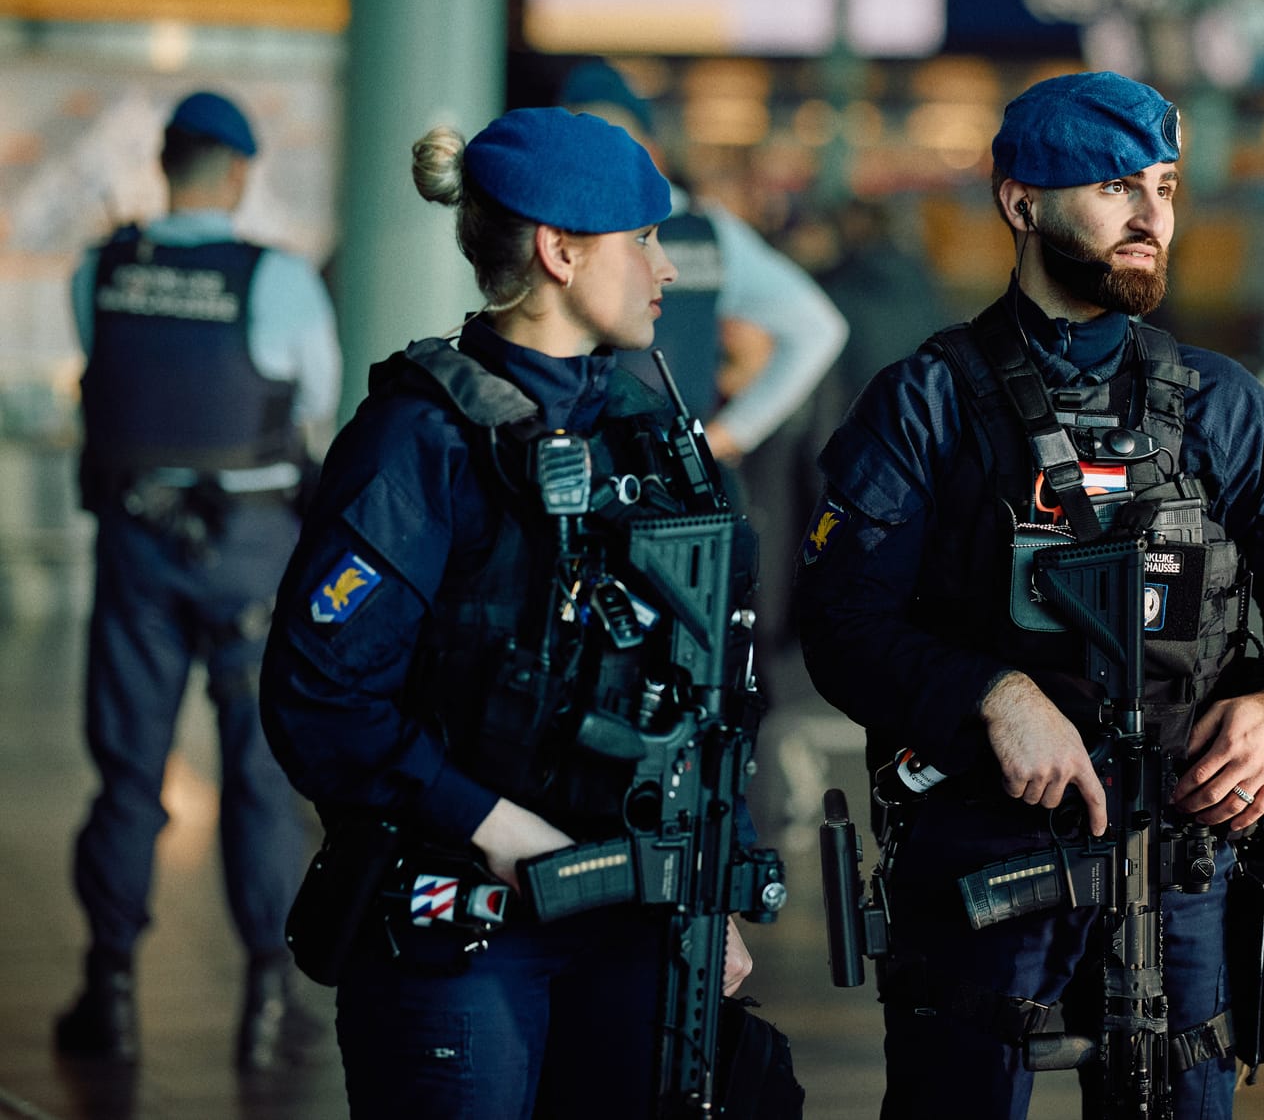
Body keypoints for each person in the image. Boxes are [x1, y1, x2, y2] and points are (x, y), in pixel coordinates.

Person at [794, 71, 1264, 1119]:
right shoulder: (925, 405)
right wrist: (991, 696)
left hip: (1183, 858)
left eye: (1165, 185)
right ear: (1021, 203)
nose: (1152, 217)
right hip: (982, 858)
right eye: (1113, 189)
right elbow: (837, 620)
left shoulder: (1221, 406)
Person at [259, 108, 758, 1118]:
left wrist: (711, 892)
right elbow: (318, 695)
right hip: (463, 927)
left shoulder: (649, 434)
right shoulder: (420, 439)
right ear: (560, 249)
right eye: (645, 239)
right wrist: (493, 825)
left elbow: (710, 685)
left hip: (636, 918)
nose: (667, 269)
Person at [57, 89, 340, 1072]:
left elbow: (104, 377)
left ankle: (111, 991)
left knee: (128, 770)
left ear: (165, 164)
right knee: (258, 774)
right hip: (250, 550)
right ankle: (268, 998)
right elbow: (315, 396)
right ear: (238, 173)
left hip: (138, 544)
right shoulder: (278, 280)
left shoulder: (104, 269)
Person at [555, 59, 847, 462]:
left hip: (587, 466)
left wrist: (730, 434)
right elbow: (818, 326)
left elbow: (819, 328)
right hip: (675, 476)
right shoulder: (705, 229)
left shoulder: (553, 229)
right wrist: (728, 436)